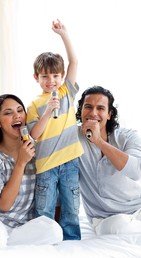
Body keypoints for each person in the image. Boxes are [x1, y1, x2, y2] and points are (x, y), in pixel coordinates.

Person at [0, 94, 63, 250]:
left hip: (20, 224)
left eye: (20, 110)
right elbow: (4, 205)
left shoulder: (37, 148)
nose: (17, 115)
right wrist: (21, 162)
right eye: (8, 112)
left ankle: (1, 241)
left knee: (54, 231)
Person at [26, 19, 84, 240]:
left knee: (71, 208)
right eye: (45, 76)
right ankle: (44, 242)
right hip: (45, 165)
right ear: (36, 78)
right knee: (44, 209)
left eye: (55, 76)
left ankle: (71, 243)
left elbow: (74, 62)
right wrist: (48, 111)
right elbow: (33, 135)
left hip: (69, 162)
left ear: (61, 77)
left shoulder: (66, 92)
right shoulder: (33, 106)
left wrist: (64, 35)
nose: (51, 81)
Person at [76, 85, 141, 235]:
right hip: (105, 218)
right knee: (120, 227)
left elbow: (136, 172)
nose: (93, 113)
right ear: (81, 111)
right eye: (88, 107)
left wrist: (98, 141)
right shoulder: (73, 138)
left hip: (138, 208)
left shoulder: (128, 136)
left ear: (109, 114)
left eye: (100, 108)